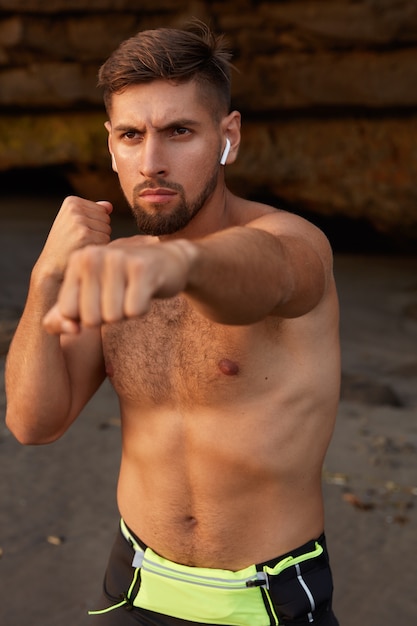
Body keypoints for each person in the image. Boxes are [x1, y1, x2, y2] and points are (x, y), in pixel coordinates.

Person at [5, 21, 340, 626]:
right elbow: (34, 422)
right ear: (110, 145)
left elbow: (266, 277)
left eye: (179, 131)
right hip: (132, 585)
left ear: (226, 136)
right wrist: (43, 280)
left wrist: (178, 261)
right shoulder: (113, 270)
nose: (152, 162)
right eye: (132, 135)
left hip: (265, 602)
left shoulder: (293, 242)